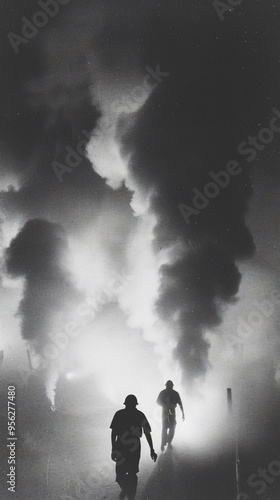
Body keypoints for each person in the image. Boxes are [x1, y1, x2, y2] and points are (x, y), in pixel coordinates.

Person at [110, 394, 157, 500]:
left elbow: (113, 433)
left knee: (122, 475)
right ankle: (129, 493)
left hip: (122, 446)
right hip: (133, 446)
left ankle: (129, 493)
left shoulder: (119, 414)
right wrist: (152, 449)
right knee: (131, 474)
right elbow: (147, 433)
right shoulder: (139, 415)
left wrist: (113, 448)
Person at [156, 380, 185, 451]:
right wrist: (165, 405)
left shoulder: (174, 393)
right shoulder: (164, 393)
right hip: (165, 411)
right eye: (168, 386)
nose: (169, 387)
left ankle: (167, 442)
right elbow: (157, 401)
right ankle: (163, 443)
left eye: (170, 386)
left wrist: (183, 413)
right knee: (166, 427)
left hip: (171, 411)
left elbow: (180, 403)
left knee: (171, 426)